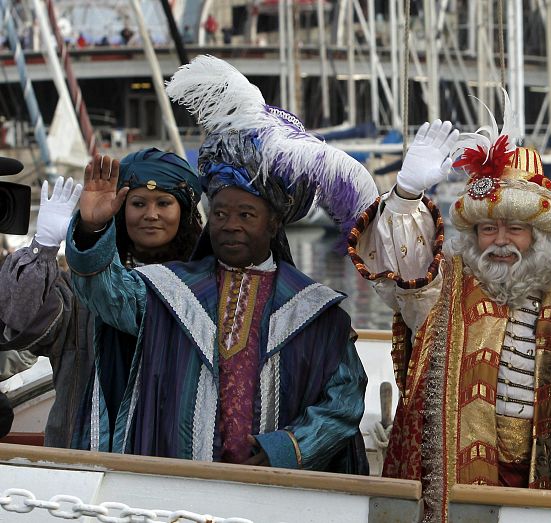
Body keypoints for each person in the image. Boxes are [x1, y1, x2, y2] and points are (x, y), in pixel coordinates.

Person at [66, 55, 378, 471]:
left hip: (275, 497)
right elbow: (104, 292)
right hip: (174, 488)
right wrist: (91, 228)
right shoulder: (166, 290)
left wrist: (288, 448)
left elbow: (345, 399)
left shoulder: (317, 310)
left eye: (246, 216)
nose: (230, 225)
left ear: (273, 225)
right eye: (220, 214)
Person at [349, 102, 551, 519]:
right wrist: (406, 197)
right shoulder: (446, 287)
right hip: (456, 477)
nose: (501, 241)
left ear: (538, 235)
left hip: (541, 481)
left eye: (516, 229)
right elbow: (401, 270)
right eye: (489, 228)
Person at [0, 149, 202, 448]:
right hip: (80, 459)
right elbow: (19, 323)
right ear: (120, 210)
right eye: (137, 203)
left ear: (183, 213)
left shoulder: (200, 290)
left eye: (164, 203)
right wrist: (43, 246)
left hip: (169, 457)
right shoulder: (77, 290)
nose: (151, 214)